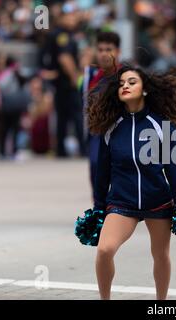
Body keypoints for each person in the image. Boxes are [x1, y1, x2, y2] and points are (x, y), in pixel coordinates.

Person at [87, 63, 176, 300]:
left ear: (144, 89)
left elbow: (174, 169)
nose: (125, 85)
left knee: (160, 255)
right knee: (105, 250)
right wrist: (98, 207)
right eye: (122, 83)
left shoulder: (162, 126)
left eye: (132, 82)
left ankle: (161, 303)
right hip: (122, 202)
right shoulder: (111, 128)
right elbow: (102, 172)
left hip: (157, 201)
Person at [80, 31, 121, 198]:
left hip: (118, 131)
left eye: (108, 49)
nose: (104, 53)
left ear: (118, 51)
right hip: (96, 132)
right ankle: (99, 207)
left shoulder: (125, 75)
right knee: (96, 166)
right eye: (101, 49)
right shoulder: (89, 75)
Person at [48, 1, 86, 157]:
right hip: (67, 83)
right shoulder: (63, 36)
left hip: (60, 84)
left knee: (62, 117)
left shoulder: (61, 34)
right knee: (76, 115)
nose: (74, 18)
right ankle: (83, 149)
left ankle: (61, 150)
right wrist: (75, 78)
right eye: (70, 16)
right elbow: (65, 58)